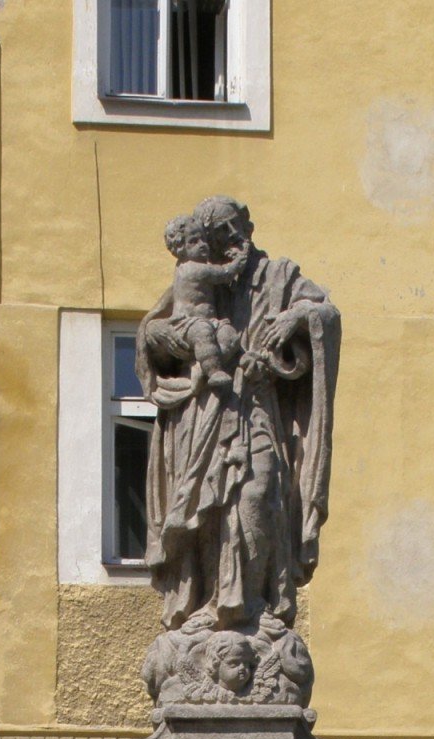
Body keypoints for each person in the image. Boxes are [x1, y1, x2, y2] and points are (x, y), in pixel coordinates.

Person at [137, 196, 341, 635]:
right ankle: (209, 606)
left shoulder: (279, 277)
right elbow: (153, 333)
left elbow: (325, 312)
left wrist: (296, 321)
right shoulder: (199, 277)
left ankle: (255, 603)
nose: (231, 240)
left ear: (247, 226)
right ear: (204, 242)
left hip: (258, 407)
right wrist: (178, 339)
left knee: (258, 493)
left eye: (235, 228)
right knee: (208, 508)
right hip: (206, 412)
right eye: (219, 234)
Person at [163, 215, 248, 394]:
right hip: (187, 324)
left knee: (230, 336)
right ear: (180, 249)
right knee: (203, 334)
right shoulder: (193, 268)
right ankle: (213, 371)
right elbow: (226, 273)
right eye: (194, 241)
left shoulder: (193, 265)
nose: (203, 244)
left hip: (210, 321)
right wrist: (239, 260)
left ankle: (204, 365)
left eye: (203, 239)